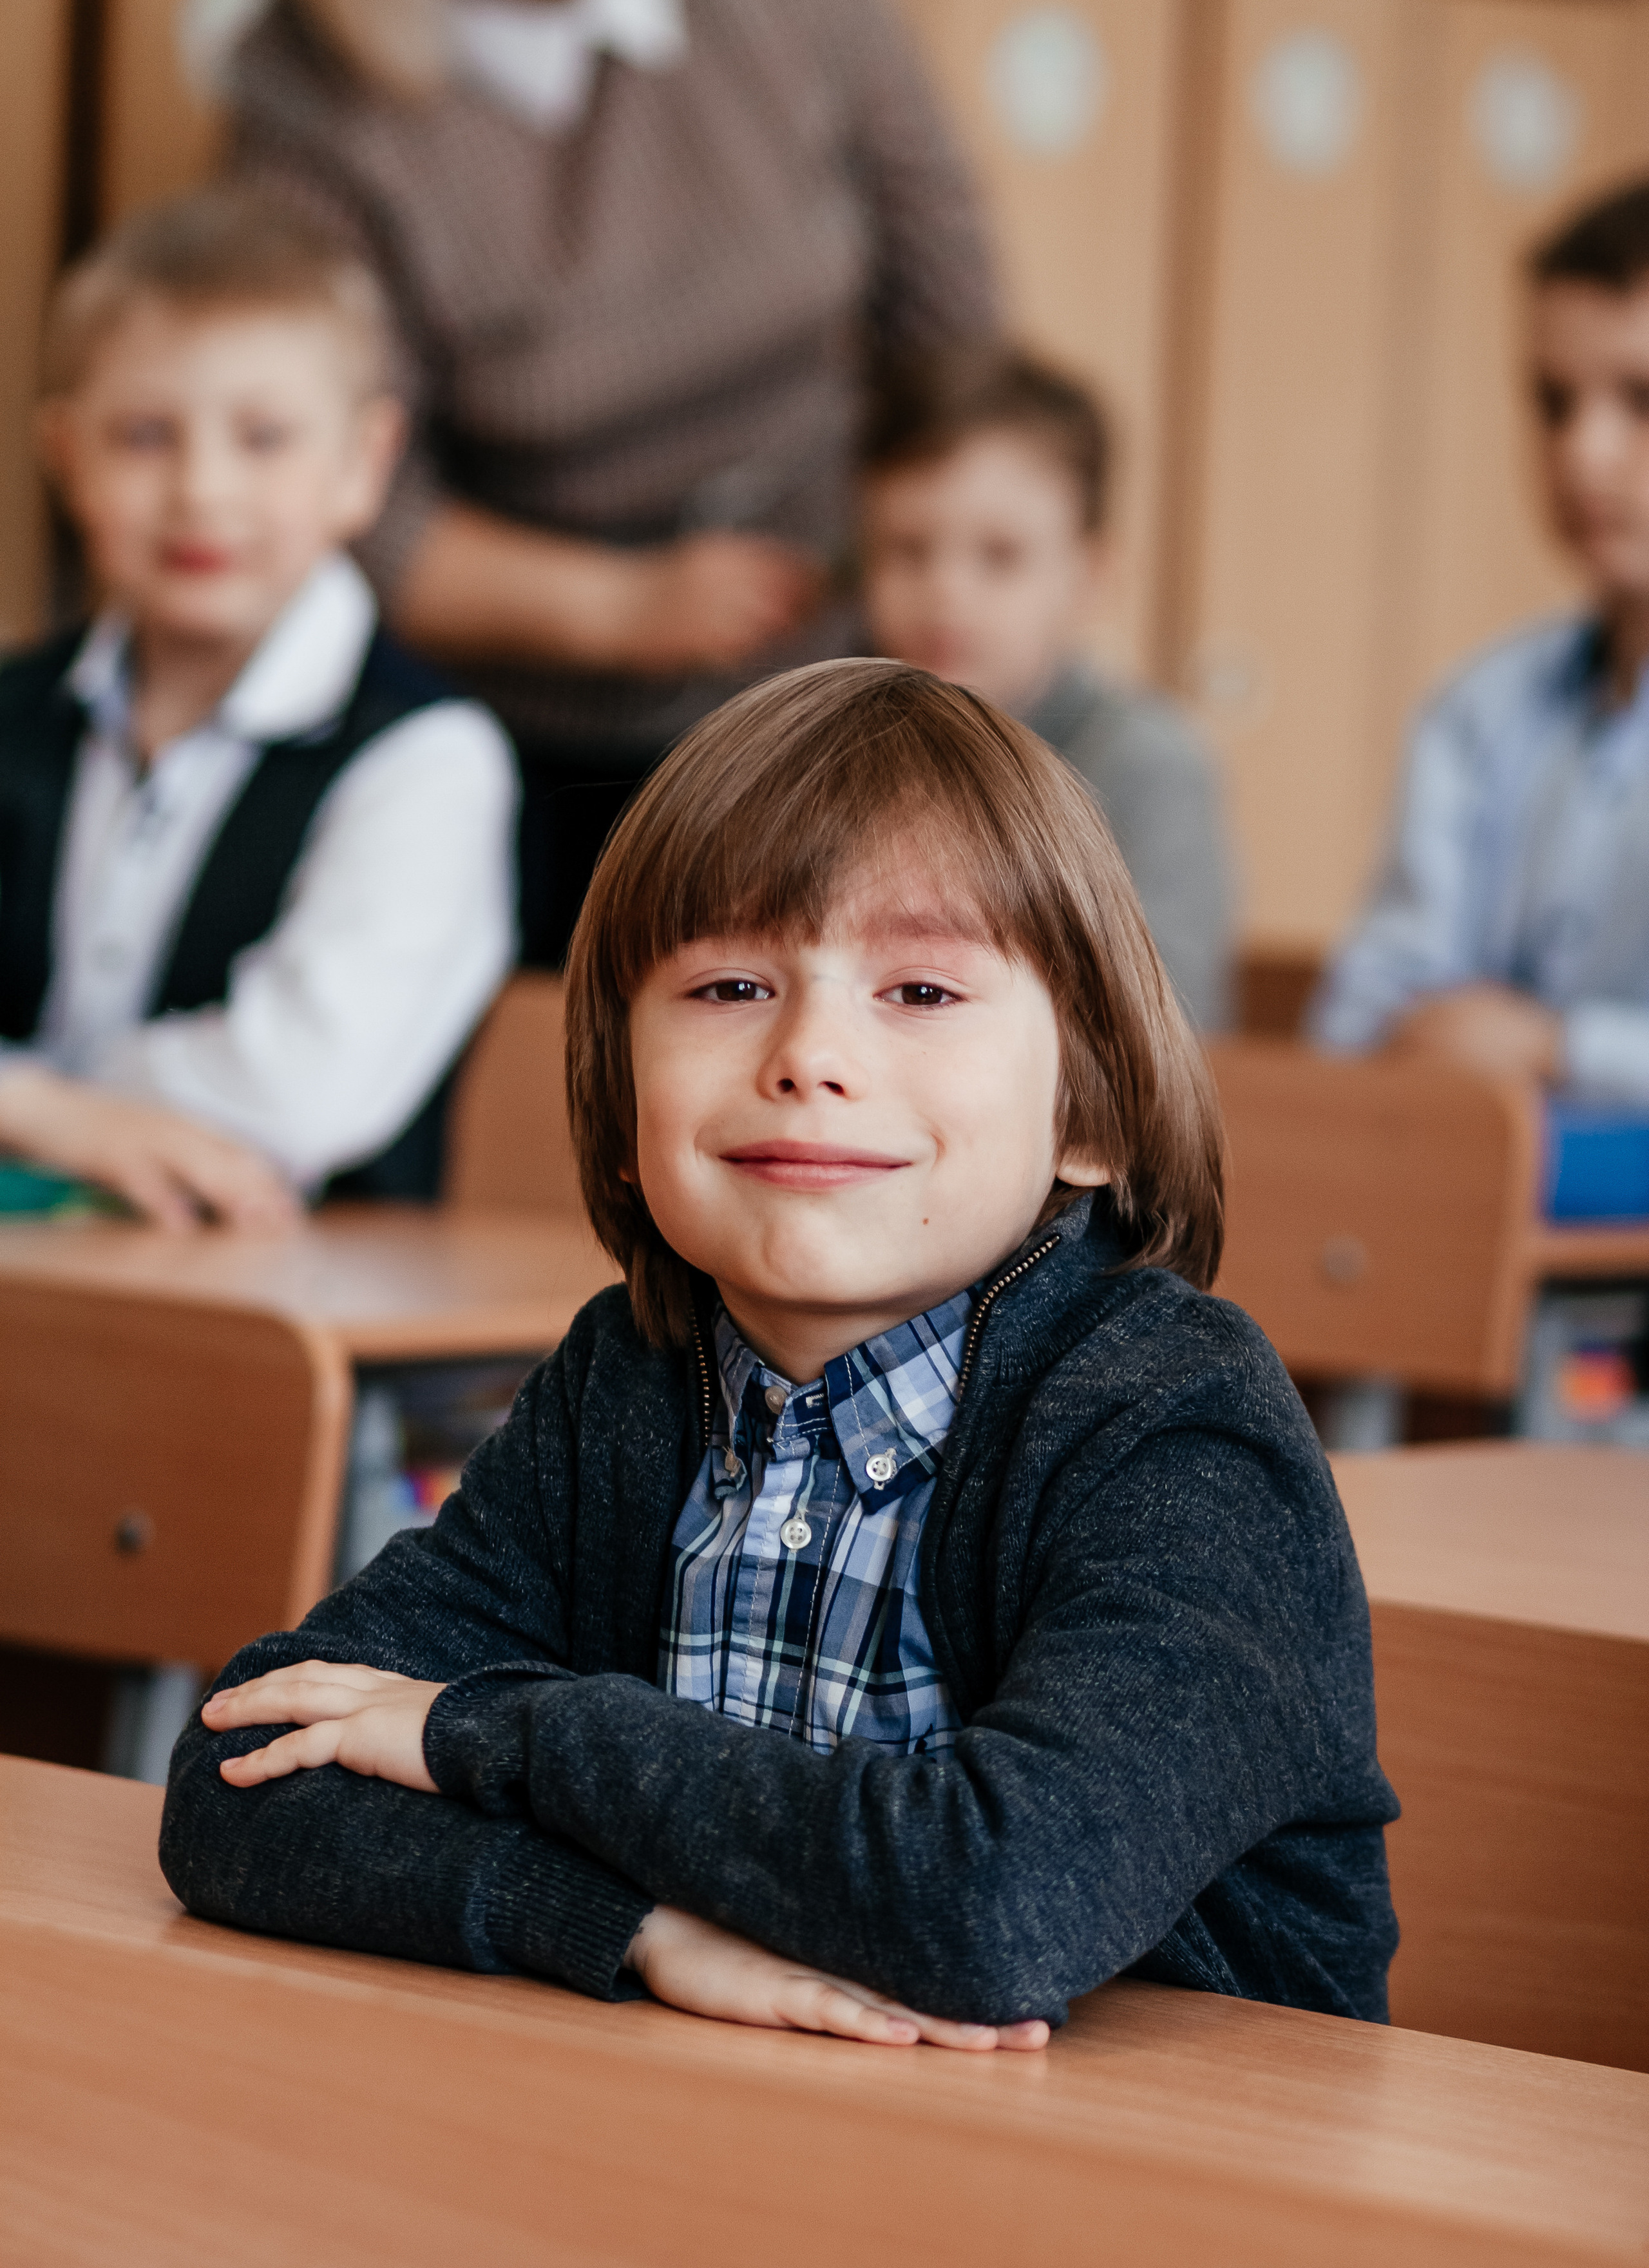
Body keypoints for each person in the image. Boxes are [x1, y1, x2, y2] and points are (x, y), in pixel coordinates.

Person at [161, 659, 1397, 2047]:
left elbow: (992, 1907)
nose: (808, 1053)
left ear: (1088, 1111)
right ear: (623, 1092)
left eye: (920, 991)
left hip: (1176, 2205)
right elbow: (243, 1771)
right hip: (744, 2149)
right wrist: (631, 1931)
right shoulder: (629, 1378)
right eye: (732, 984)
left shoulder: (1176, 1429)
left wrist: (490, 1733)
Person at [216, 0, 1000, 965]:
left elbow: (953, 323)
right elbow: (348, 494)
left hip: (837, 650)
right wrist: (622, 609)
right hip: (534, 721)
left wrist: (916, 570)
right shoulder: (310, 88)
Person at [0, 189, 516, 1226]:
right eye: (145, 435)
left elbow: (300, 1087)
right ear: (67, 457)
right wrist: (53, 1121)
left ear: (364, 465)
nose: (203, 489)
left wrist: (31, 1102)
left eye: (264, 437)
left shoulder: (427, 759)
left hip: (287, 1312)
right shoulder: (16, 709)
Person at [1314, 178, 1649, 1100]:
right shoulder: (1480, 707)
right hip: (1485, 1203)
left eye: (1640, 399)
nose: (1584, 452)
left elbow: (1487, 1038)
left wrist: (1557, 1048)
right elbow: (1365, 1016)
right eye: (1553, 403)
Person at [860, 345, 1234, 1032]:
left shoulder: (1146, 763)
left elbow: (1171, 1022)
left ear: (1090, 575)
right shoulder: (835, 755)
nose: (945, 590)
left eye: (999, 556)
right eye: (907, 550)